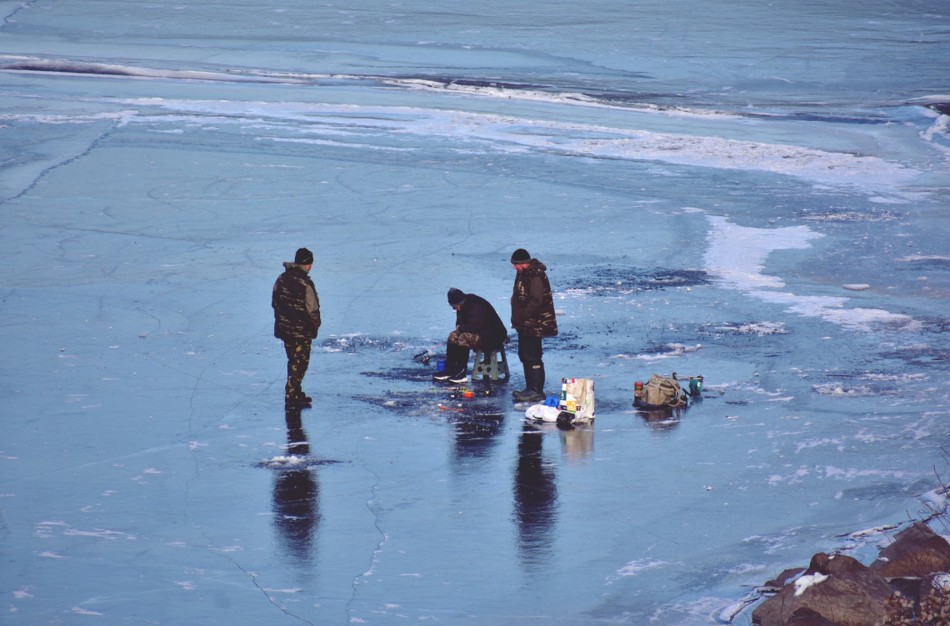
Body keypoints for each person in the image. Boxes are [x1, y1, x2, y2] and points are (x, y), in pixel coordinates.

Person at [273, 247, 321, 407]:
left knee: (293, 360)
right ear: (307, 264)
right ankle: (292, 394)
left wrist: (282, 320)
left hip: (285, 329)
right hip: (301, 331)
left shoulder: (281, 279)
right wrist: (315, 325)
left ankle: (295, 391)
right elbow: (312, 308)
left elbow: (275, 303)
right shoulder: (305, 283)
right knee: (300, 362)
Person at [509, 248, 558, 402]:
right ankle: (530, 388)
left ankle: (536, 391)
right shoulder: (523, 274)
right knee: (524, 355)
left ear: (524, 263)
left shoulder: (535, 276)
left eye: (516, 264)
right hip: (525, 323)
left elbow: (536, 301)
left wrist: (523, 315)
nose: (514, 268)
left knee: (532, 356)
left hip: (534, 323)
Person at [433, 288, 507, 384]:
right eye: (453, 307)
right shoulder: (462, 306)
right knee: (452, 336)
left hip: (492, 335)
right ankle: (450, 369)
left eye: (455, 307)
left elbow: (473, 326)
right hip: (479, 331)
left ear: (460, 302)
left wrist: (460, 329)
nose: (455, 309)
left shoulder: (477, 305)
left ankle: (461, 372)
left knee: (464, 338)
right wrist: (459, 330)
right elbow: (460, 325)